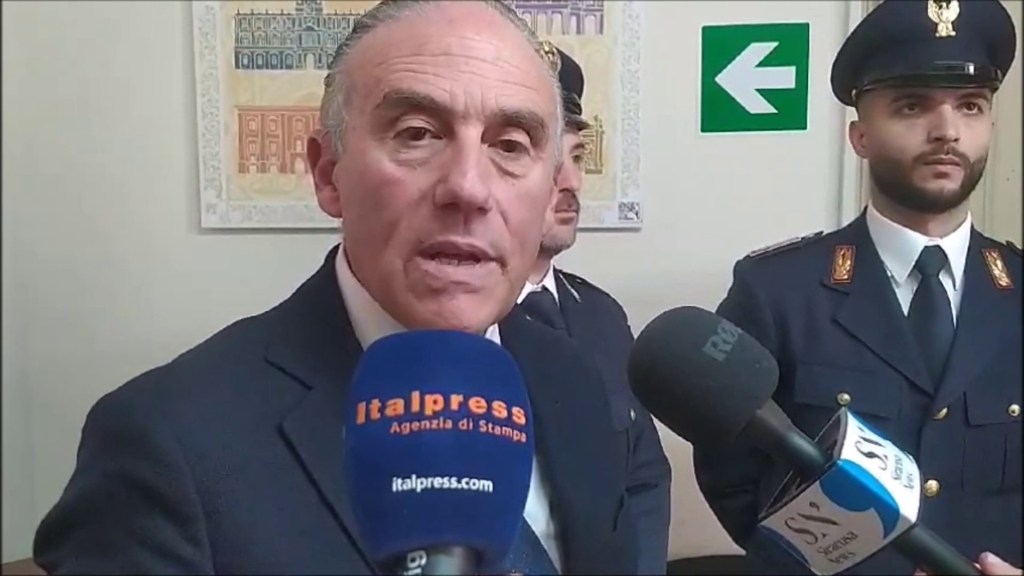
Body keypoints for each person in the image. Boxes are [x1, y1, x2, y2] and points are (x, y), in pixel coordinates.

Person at [32, 1, 648, 573]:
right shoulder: (164, 444)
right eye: (417, 133)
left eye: (510, 145)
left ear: (550, 191)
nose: (468, 188)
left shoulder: (572, 377)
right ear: (328, 173)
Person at [692, 0, 1021, 574]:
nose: (947, 131)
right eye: (912, 105)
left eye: (970, 105)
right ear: (860, 135)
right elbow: (731, 469)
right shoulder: (778, 292)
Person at [517, 42, 672, 575]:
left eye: (578, 157)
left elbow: (644, 477)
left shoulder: (600, 316)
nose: (572, 182)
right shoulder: (447, 319)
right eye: (544, 156)